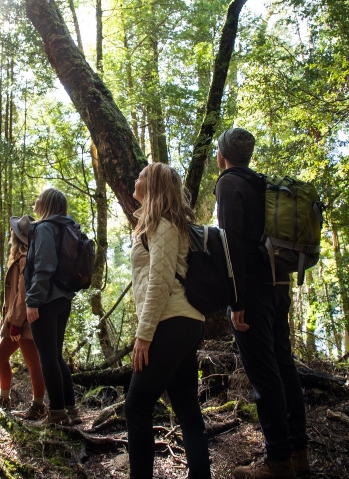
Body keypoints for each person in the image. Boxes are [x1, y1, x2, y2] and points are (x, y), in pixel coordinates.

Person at [214, 128, 309, 479]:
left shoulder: (228, 184)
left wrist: (235, 300)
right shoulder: (262, 183)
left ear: (222, 154)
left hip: (251, 292)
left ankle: (277, 462)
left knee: (264, 374)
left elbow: (231, 247)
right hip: (279, 286)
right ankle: (298, 452)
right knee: (284, 366)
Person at [124, 163, 211, 479]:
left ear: (153, 185)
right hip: (182, 323)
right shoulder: (161, 224)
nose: (137, 178)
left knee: (136, 406)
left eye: (142, 176)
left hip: (170, 322)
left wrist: (144, 334)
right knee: (187, 406)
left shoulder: (163, 226)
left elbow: (160, 284)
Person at [25, 187, 81, 426]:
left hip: (46, 300)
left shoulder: (45, 227)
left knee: (47, 357)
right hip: (63, 298)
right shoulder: (66, 227)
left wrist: (33, 300)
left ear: (46, 204)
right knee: (56, 357)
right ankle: (71, 410)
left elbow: (44, 267)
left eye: (38, 198)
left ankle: (57, 414)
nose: (35, 201)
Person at [0, 215, 48, 421]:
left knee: (33, 363)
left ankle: (38, 405)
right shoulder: (21, 257)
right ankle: (4, 399)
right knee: (1, 356)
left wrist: (16, 323)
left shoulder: (24, 259)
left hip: (23, 321)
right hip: (16, 319)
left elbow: (23, 295)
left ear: (18, 237)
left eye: (14, 232)